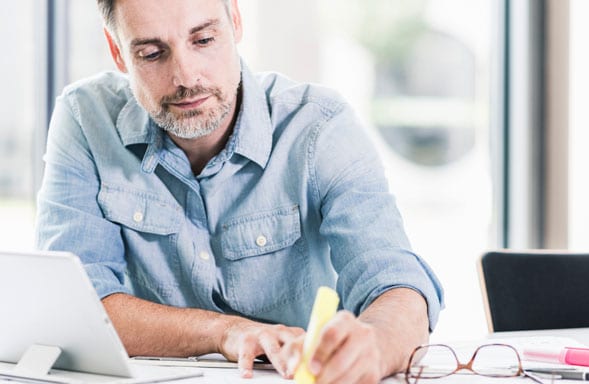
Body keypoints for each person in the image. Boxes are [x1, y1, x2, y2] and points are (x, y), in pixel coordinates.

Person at [35, 0, 444, 382]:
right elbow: (76, 308)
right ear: (118, 51)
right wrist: (224, 332)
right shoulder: (84, 119)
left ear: (235, 20)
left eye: (204, 39)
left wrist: (373, 345)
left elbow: (394, 282)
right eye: (152, 53)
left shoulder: (319, 126)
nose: (186, 76)